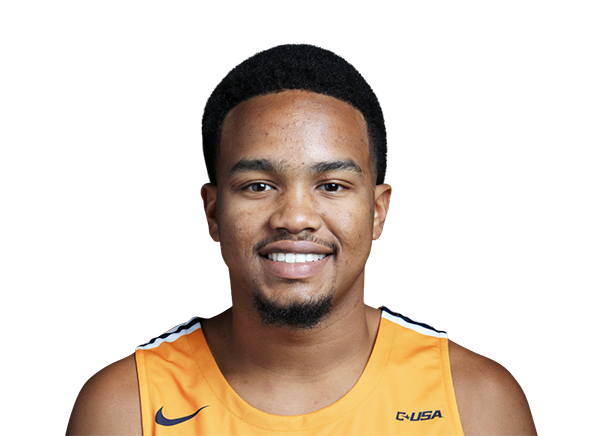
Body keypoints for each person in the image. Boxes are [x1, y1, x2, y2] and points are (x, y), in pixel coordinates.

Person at [65, 44, 537, 436]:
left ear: (377, 211)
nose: (294, 218)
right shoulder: (126, 407)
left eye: (331, 185)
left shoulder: (474, 401)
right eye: (258, 186)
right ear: (212, 212)